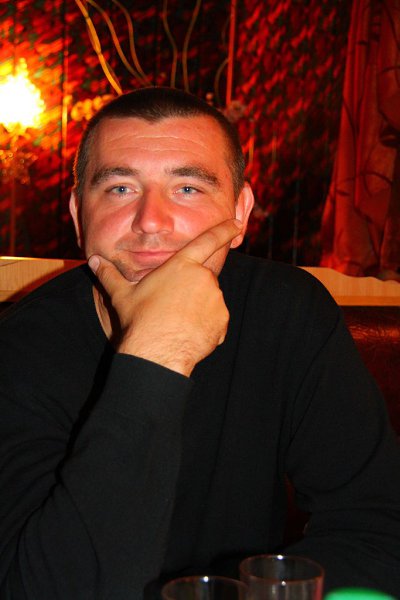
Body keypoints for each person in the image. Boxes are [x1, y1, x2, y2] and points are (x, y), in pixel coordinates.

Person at [0, 87, 399, 600]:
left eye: (187, 188)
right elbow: (41, 588)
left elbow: (378, 527)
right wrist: (156, 354)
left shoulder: (288, 312)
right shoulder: (20, 349)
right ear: (79, 214)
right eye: (120, 188)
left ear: (240, 212)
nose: (151, 220)